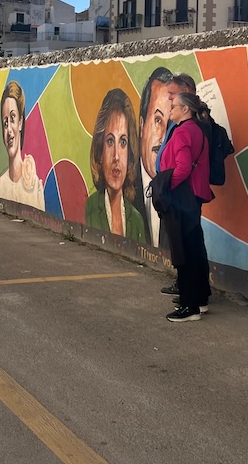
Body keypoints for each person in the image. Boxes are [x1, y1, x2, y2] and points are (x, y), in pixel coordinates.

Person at [158, 91, 214, 322]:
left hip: (182, 196)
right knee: (195, 247)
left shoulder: (182, 132)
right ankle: (200, 300)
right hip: (195, 194)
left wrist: (165, 186)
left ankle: (189, 305)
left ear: (185, 109)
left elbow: (182, 168)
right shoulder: (198, 130)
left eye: (174, 107)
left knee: (184, 250)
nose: (170, 110)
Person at [85, 88, 146, 242]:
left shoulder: (137, 220)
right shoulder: (89, 209)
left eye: (123, 142)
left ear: (130, 155)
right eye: (110, 141)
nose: (116, 156)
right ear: (100, 153)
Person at [134, 67, 174, 246]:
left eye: (172, 123)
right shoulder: (121, 187)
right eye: (157, 120)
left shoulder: (178, 189)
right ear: (142, 126)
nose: (164, 135)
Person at [0, 80, 45, 209]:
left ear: (20, 123)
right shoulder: (0, 185)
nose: (9, 130)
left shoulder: (36, 187)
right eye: (5, 123)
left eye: (12, 118)